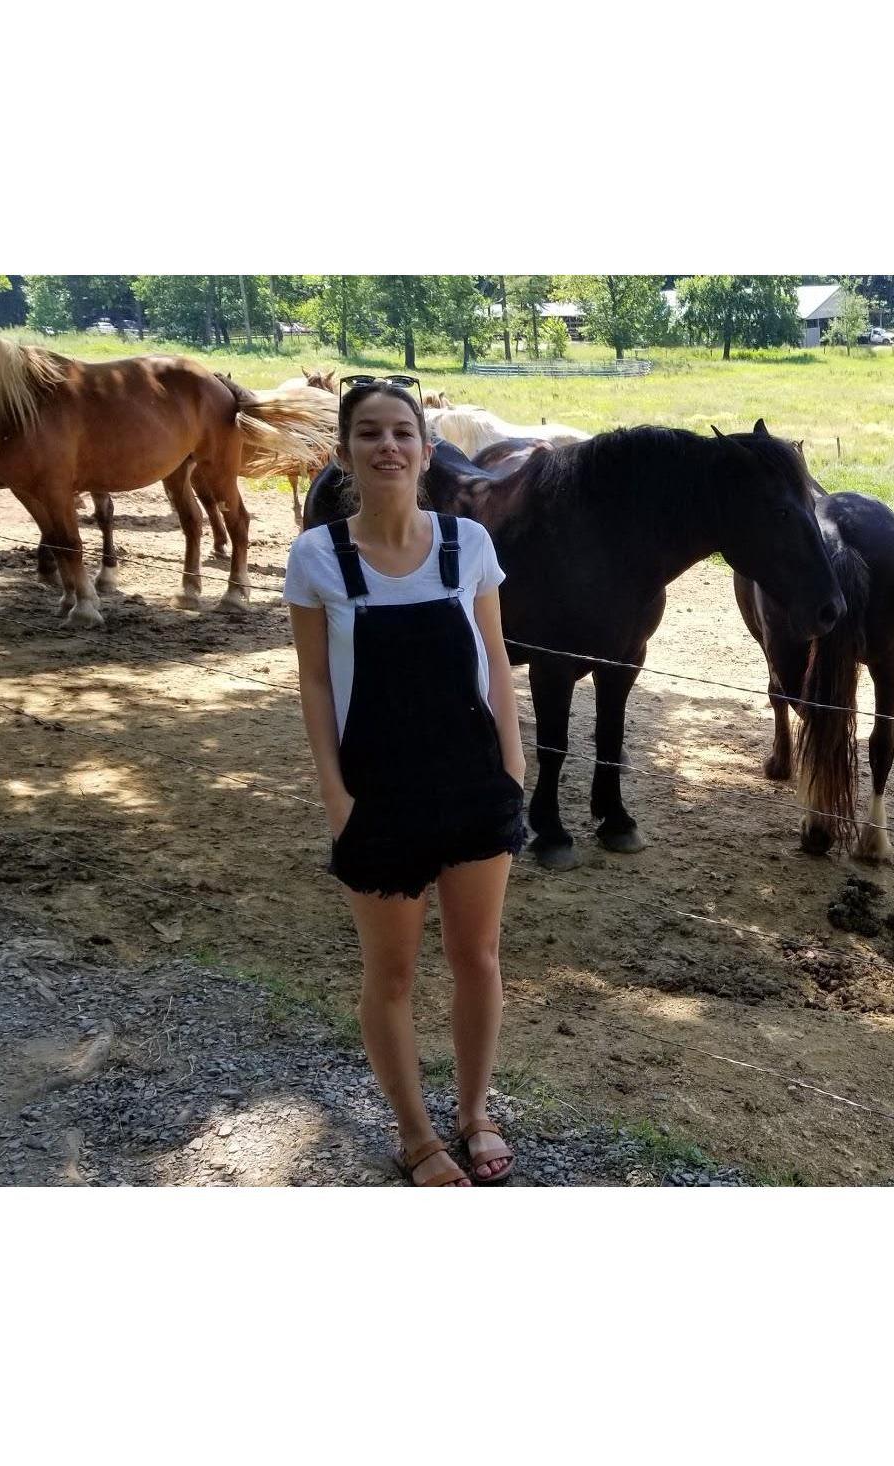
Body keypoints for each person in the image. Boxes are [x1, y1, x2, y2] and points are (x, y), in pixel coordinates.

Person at [284, 379, 526, 1186]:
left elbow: (495, 661)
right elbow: (316, 683)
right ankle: (416, 1134)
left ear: (425, 450)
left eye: (401, 433)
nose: (387, 445)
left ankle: (474, 1110)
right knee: (389, 975)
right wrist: (335, 795)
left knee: (479, 957)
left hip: (472, 786)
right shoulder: (319, 556)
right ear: (346, 451)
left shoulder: (468, 545)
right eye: (369, 433)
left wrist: (512, 767)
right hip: (376, 793)